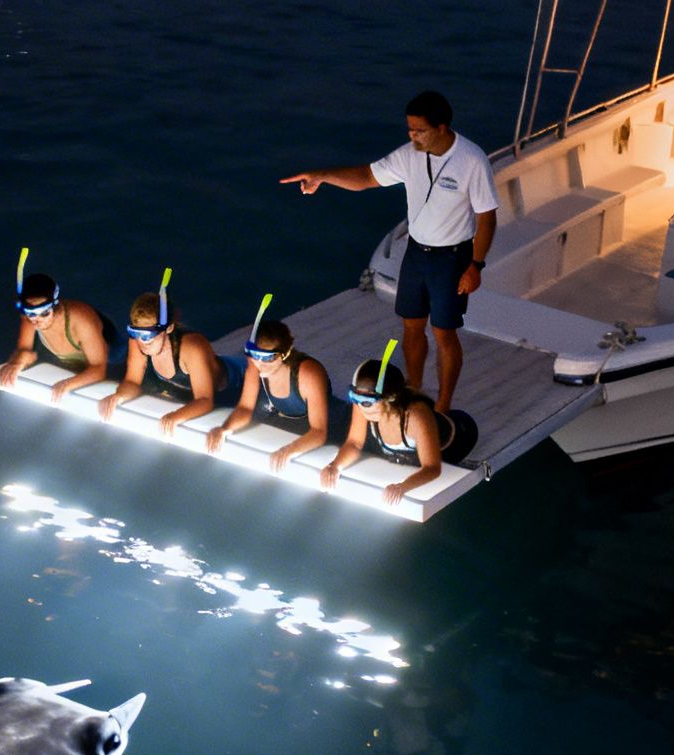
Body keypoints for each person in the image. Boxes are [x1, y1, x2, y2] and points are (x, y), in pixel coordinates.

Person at [281, 89, 498, 414]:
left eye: (419, 130)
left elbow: (487, 217)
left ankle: (443, 404)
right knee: (411, 324)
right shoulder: (410, 154)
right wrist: (323, 176)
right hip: (416, 253)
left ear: (441, 127)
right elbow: (368, 177)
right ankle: (413, 389)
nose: (412, 136)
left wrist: (475, 265)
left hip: (453, 257)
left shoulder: (471, 160)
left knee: (444, 331)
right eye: (409, 129)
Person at [320, 355, 477, 506]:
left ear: (389, 399)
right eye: (354, 398)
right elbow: (354, 443)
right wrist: (335, 466)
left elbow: (432, 468)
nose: (360, 406)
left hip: (460, 435)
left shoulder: (415, 416)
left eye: (367, 402)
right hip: (410, 444)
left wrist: (403, 487)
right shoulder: (363, 402)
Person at [205, 316, 332, 472]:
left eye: (268, 358)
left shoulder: (309, 374)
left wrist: (289, 450)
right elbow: (245, 408)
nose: (260, 364)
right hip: (286, 417)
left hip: (328, 424)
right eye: (255, 354)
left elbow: (319, 432)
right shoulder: (256, 365)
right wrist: (224, 429)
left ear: (285, 354)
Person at [99, 280, 222, 436]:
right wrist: (119, 396)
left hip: (229, 386)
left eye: (149, 334)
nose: (143, 341)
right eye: (137, 333)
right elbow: (132, 382)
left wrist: (176, 416)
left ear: (169, 328)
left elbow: (205, 400)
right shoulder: (137, 341)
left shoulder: (192, 348)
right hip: (176, 386)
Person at [0, 270, 116, 401]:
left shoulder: (81, 320)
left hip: (113, 359)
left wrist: (67, 384)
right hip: (72, 363)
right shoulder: (29, 318)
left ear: (54, 306)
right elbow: (25, 350)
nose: (37, 320)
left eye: (44, 313)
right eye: (31, 313)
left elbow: (98, 369)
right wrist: (17, 363)